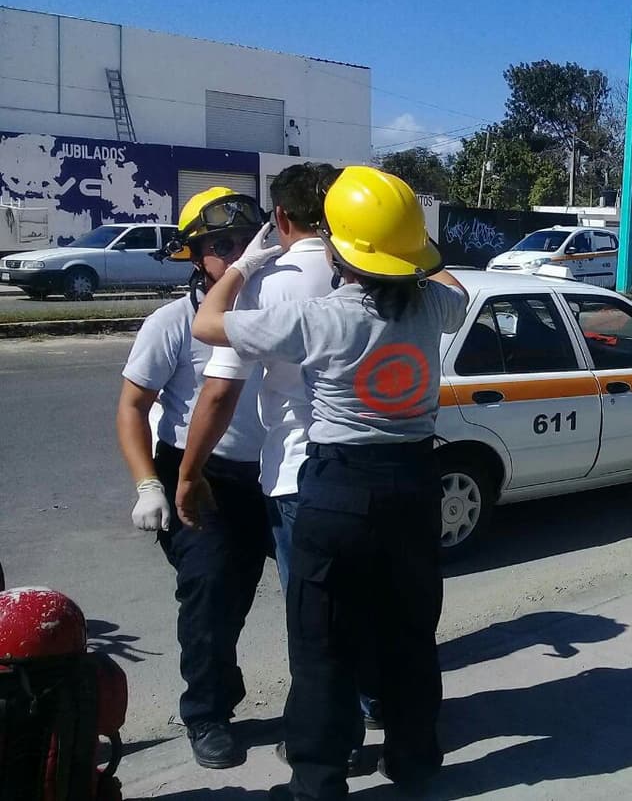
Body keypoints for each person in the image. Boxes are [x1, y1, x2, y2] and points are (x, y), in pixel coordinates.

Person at [188, 166, 468, 801]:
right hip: (414, 484)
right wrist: (414, 246)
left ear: (339, 245)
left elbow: (209, 324)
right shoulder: (434, 305)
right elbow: (444, 277)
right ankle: (415, 761)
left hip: (339, 489)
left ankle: (318, 781)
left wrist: (242, 266)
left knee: (323, 642)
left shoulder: (318, 318)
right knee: (410, 633)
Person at [176, 163, 385, 742]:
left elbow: (218, 390)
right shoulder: (379, 274)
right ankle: (380, 708)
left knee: (315, 626)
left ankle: (331, 744)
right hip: (375, 467)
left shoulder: (270, 285)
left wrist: (188, 474)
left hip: (300, 478)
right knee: (366, 604)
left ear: (280, 218)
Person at [115, 187, 267, 769]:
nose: (236, 255)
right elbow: (132, 408)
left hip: (271, 477)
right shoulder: (173, 323)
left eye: (246, 241)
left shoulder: (277, 309)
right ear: (194, 256)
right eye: (220, 245)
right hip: (197, 479)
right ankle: (207, 712)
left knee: (302, 589)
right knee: (210, 596)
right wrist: (148, 484)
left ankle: (340, 695)